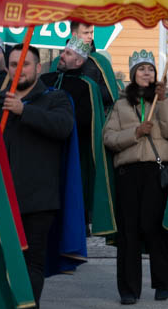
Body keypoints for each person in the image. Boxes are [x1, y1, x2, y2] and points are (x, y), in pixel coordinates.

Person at [0, 46, 77, 309]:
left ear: (38, 68)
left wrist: (24, 111)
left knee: (31, 264)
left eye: (24, 64)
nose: (18, 70)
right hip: (2, 198)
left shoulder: (54, 99)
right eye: (13, 64)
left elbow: (63, 127)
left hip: (39, 198)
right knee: (3, 262)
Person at [103, 51, 168, 304]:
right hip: (128, 173)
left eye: (150, 68)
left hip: (154, 171)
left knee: (153, 227)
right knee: (129, 232)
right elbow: (109, 139)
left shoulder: (163, 99)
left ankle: (162, 280)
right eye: (141, 69)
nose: (146, 72)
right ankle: (129, 288)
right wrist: (135, 133)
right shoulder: (120, 104)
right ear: (133, 74)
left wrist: (162, 101)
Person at [42, 36, 116, 237]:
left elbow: (86, 119)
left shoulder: (87, 86)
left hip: (76, 146)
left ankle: (79, 223)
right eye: (63, 52)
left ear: (79, 62)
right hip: (46, 147)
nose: (61, 56)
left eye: (68, 54)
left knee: (76, 187)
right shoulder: (46, 80)